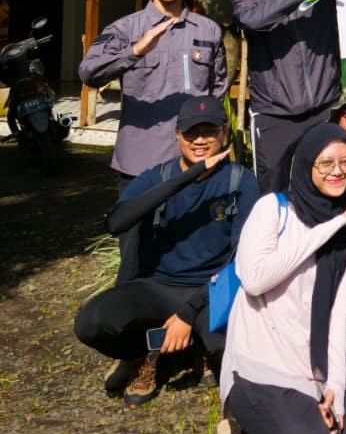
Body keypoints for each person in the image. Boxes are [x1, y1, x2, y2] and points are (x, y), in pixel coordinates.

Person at [219, 124, 346, 434]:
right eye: (326, 162)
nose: (337, 171)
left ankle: (312, 413)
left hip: (320, 362)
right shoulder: (273, 211)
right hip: (265, 365)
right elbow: (255, 279)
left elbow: (339, 315)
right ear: (306, 166)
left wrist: (336, 389)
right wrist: (328, 228)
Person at [75, 97, 257, 407]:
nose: (200, 140)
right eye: (191, 133)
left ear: (224, 133)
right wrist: (190, 175)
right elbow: (116, 222)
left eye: (209, 131)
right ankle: (139, 355)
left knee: (231, 351)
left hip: (212, 289)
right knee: (92, 324)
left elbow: (244, 258)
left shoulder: (241, 181)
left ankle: (199, 347)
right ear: (177, 135)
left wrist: (189, 313)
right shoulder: (155, 177)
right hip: (157, 286)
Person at [79, 0, 227, 183]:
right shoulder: (125, 29)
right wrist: (135, 51)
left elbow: (217, 89)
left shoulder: (208, 30)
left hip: (196, 164)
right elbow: (88, 73)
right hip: (141, 164)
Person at [232, 0, 342, 193]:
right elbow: (255, 20)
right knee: (273, 195)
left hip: (324, 110)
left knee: (330, 187)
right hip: (274, 117)